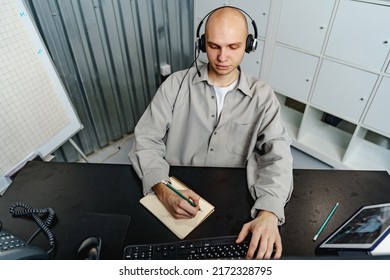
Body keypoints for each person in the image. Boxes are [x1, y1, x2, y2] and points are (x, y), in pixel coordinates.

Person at [128, 6, 293, 259]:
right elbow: (146, 139)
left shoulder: (263, 97)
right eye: (214, 46)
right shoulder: (175, 85)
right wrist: (162, 187)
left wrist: (269, 212)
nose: (222, 57)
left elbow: (277, 155)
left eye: (233, 47)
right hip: (174, 190)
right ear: (202, 44)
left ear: (249, 45)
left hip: (235, 205)